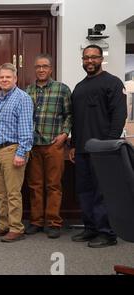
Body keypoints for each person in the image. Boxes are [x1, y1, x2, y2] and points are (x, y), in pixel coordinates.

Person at [69, 44, 127, 248]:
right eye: (86, 58)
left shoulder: (112, 82)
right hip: (83, 150)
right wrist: (73, 145)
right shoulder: (79, 88)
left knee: (103, 192)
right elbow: (76, 120)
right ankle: (91, 228)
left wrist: (109, 144)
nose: (90, 61)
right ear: (82, 60)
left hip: (104, 150)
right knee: (85, 191)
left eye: (94, 57)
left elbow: (120, 115)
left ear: (101, 59)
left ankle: (107, 233)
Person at [25, 54, 72, 239]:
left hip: (54, 145)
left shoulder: (62, 89)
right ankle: (36, 221)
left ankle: (53, 222)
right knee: (35, 185)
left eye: (45, 66)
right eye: (38, 67)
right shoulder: (28, 91)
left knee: (53, 185)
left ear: (51, 69)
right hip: (33, 145)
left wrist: (65, 134)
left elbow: (69, 114)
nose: (41, 70)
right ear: (34, 69)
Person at [0, 63, 33, 242]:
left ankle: (16, 228)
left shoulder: (23, 98)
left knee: (13, 193)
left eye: (8, 77)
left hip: (13, 150)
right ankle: (3, 225)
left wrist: (21, 153)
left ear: (15, 79)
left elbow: (26, 128)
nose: (4, 80)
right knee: (0, 193)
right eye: (1, 77)